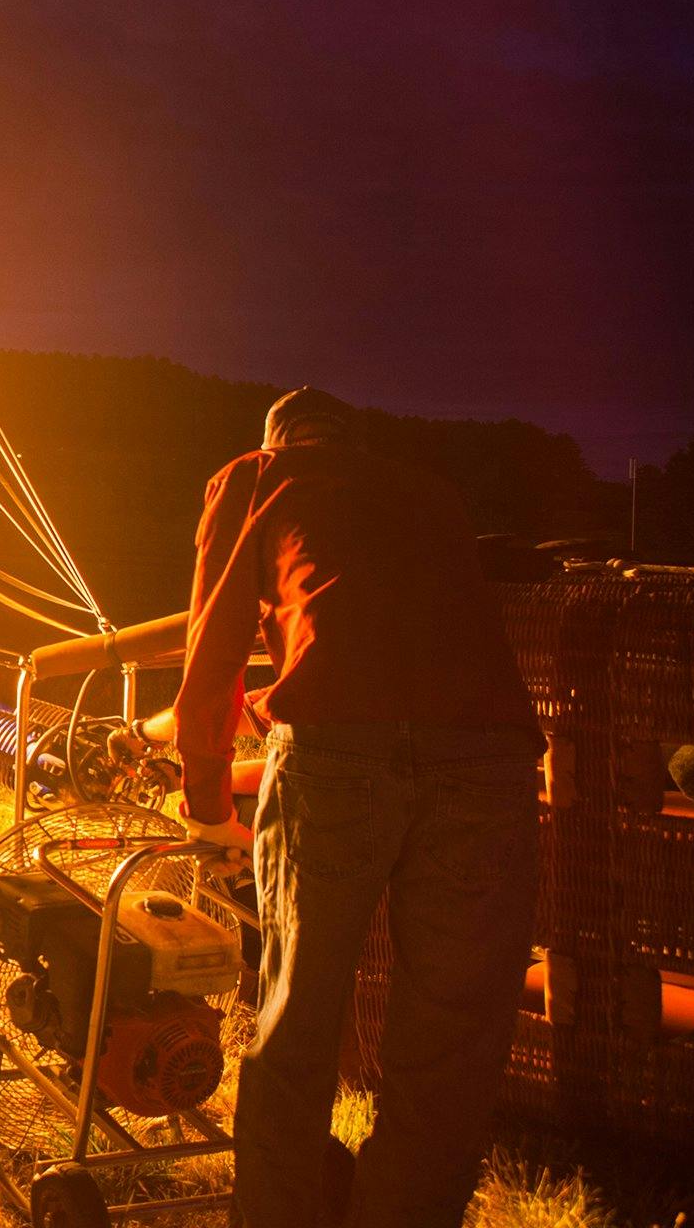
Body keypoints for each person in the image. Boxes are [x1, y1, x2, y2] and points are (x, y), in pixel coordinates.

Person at [171, 387, 542, 1228]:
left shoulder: (257, 476)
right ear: (355, 443)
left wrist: (207, 804)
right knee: (452, 1035)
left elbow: (214, 641)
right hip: (488, 753)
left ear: (278, 440)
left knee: (297, 1017)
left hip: (336, 750)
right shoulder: (430, 491)